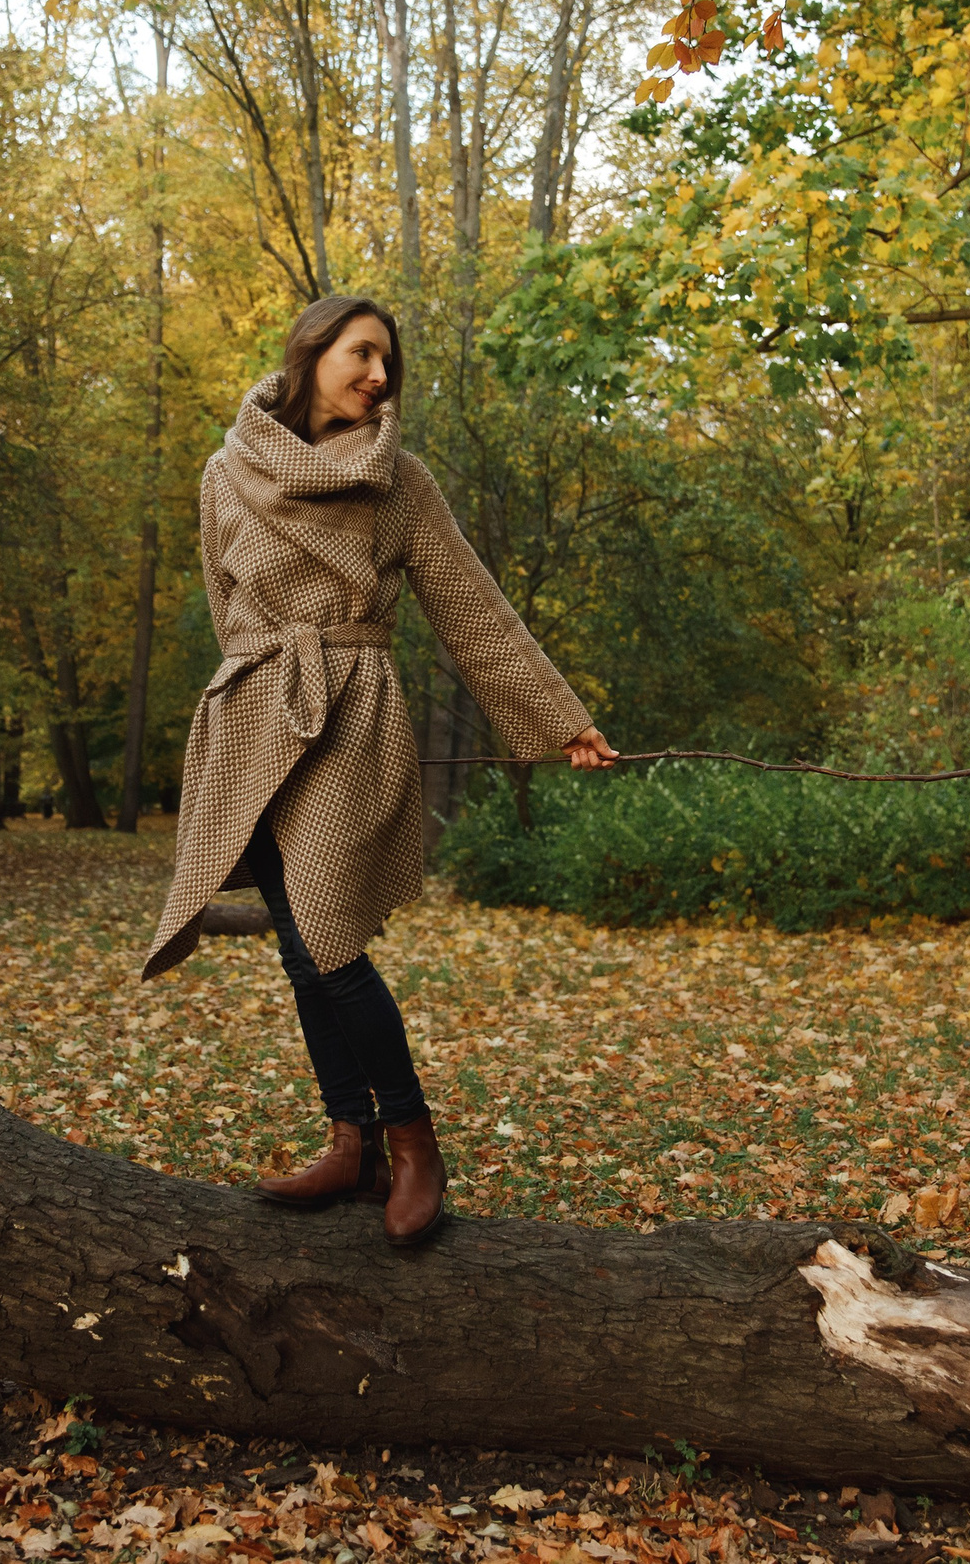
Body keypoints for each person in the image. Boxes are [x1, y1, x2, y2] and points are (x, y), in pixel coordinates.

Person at [142, 296, 618, 1245]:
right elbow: (227, 605)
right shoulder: (225, 474)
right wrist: (251, 695)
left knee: (330, 942)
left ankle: (413, 1141)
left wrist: (558, 719)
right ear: (312, 353)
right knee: (298, 950)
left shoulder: (400, 481)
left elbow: (472, 609)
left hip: (351, 713)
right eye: (363, 354)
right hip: (255, 718)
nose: (379, 376)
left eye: (388, 362)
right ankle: (347, 1137)